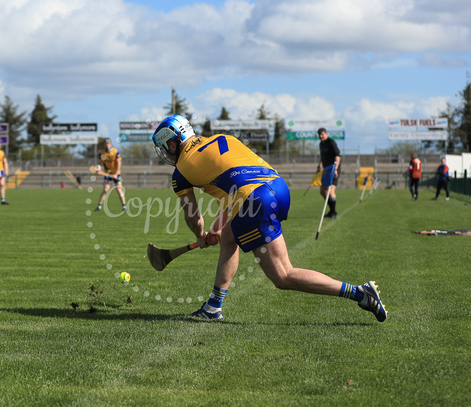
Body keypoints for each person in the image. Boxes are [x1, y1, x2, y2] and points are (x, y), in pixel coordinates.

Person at [151, 114, 386, 322]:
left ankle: (359, 293)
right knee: (230, 237)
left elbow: (193, 217)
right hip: (278, 188)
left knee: (282, 276)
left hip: (255, 200)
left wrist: (200, 235)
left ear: (173, 144)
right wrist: (219, 228)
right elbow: (235, 181)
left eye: (165, 147)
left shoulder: (180, 171)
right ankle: (213, 306)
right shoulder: (222, 138)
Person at [94, 138, 127, 211]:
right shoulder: (102, 153)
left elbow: (119, 163)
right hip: (107, 174)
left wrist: (115, 174)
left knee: (119, 189)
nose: (107, 145)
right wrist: (98, 169)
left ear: (111, 144)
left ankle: (124, 206)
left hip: (116, 174)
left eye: (108, 143)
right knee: (105, 189)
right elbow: (99, 163)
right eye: (106, 144)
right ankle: (99, 206)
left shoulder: (115, 152)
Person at [317, 128, 341, 218]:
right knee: (323, 191)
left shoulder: (331, 143)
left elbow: (337, 156)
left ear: (326, 134)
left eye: (322, 134)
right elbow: (322, 157)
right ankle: (332, 211)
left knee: (331, 191)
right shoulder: (321, 144)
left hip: (334, 169)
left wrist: (335, 169)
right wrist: (319, 166)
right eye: (319, 134)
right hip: (326, 169)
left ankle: (333, 212)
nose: (320, 136)